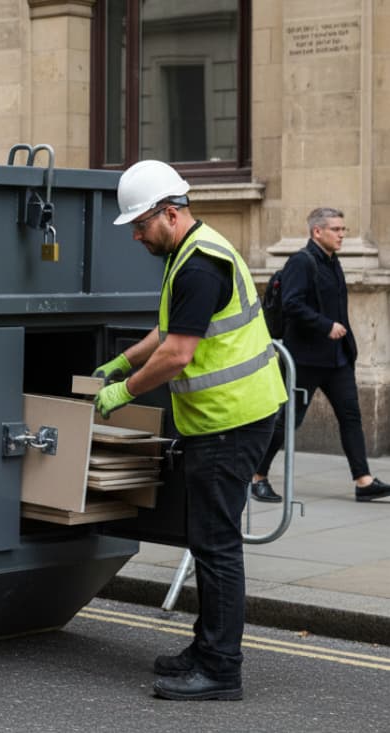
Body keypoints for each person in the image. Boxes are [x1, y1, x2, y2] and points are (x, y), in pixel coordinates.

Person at [91, 160, 287, 701]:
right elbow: (166, 331)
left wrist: (122, 393)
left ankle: (221, 668)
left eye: (139, 223)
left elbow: (178, 354)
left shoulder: (200, 266)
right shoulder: (193, 252)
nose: (134, 234)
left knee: (217, 546)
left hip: (232, 422)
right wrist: (123, 363)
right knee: (207, 543)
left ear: (170, 214)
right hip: (226, 420)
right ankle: (207, 649)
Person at [249, 208, 390, 504]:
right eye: (336, 229)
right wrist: (326, 326)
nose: (342, 235)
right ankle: (257, 476)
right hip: (305, 359)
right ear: (317, 232)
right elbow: (291, 304)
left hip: (337, 359)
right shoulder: (301, 262)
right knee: (287, 421)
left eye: (343, 229)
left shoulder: (331, 261)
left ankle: (363, 481)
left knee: (350, 416)